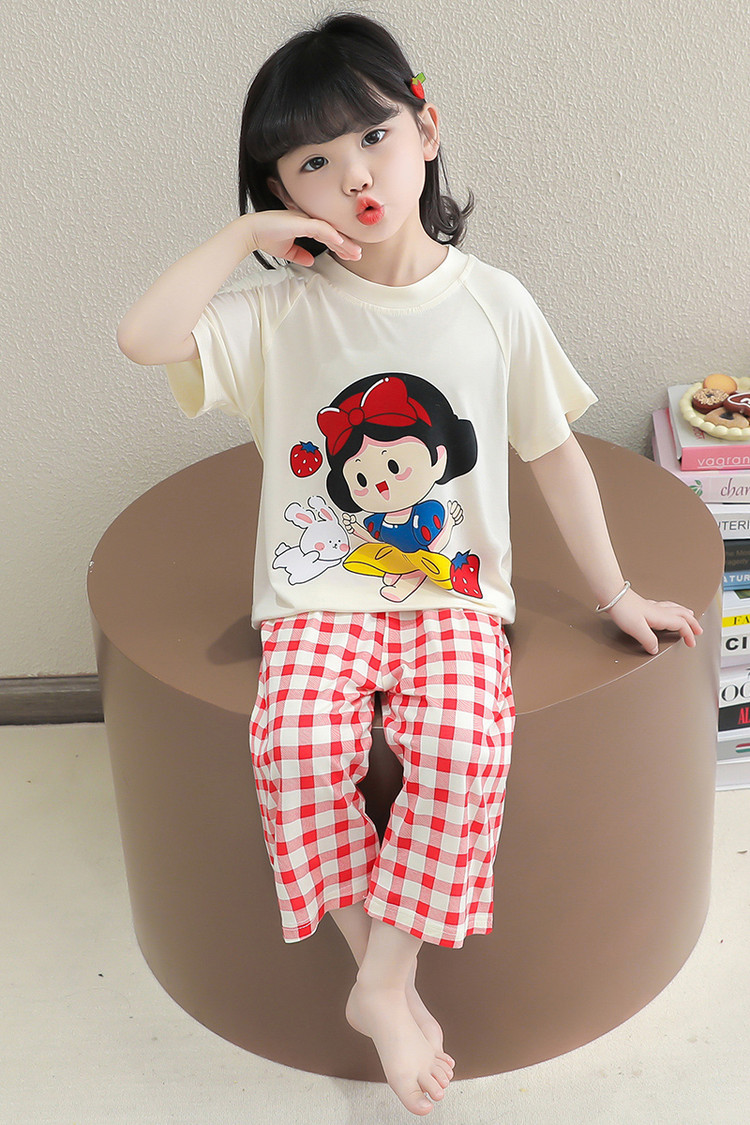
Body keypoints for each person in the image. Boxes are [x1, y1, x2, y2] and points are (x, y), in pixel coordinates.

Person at [117, 13, 702, 1116]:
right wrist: (243, 240)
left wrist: (617, 592)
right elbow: (145, 338)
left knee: (465, 747)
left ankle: (382, 980)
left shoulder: (495, 304)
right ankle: (381, 986)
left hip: (456, 598)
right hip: (313, 599)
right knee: (294, 748)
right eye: (312, 164)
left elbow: (556, 456)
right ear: (282, 193)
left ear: (426, 131)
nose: (353, 176)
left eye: (374, 138)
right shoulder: (278, 314)